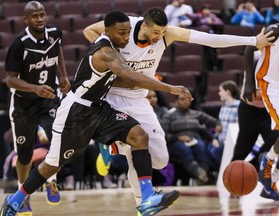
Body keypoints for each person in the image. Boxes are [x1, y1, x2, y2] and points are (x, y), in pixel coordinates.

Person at [0, 10, 194, 216]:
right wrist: (170, 88)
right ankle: (14, 200)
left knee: (139, 135)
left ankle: (147, 198)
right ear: (107, 31)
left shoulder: (115, 48)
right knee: (52, 166)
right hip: (76, 113)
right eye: (121, 33)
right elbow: (131, 78)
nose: (126, 38)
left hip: (99, 109)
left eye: (128, 32)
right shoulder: (106, 53)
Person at [83, 7, 274, 211]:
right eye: (155, 32)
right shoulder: (125, 27)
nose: (159, 38)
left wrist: (253, 41)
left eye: (162, 33)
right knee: (136, 146)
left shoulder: (167, 34)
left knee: (160, 160)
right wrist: (112, 59)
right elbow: (89, 31)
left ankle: (114, 145)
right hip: (113, 97)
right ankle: (143, 204)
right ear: (144, 25)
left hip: (139, 98)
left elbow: (208, 39)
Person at [3, 1, 71, 215]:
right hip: (23, 104)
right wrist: (34, 88)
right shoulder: (19, 44)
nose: (40, 19)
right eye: (34, 16)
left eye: (42, 15)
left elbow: (57, 49)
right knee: (24, 154)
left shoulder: (54, 33)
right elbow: (10, 80)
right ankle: (22, 196)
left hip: (48, 99)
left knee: (56, 138)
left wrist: (63, 75)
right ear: (26, 20)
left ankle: (51, 179)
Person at [242, 23, 279, 200]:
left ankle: (271, 179)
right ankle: (268, 161)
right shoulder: (275, 30)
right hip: (271, 85)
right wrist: (249, 82)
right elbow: (250, 48)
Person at [161, 94, 220, 184]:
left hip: (194, 139)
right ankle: (199, 173)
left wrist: (218, 124)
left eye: (188, 99)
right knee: (185, 150)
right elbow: (163, 134)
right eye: (182, 99)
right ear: (176, 101)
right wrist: (177, 137)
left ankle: (202, 175)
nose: (185, 101)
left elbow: (212, 121)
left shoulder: (196, 113)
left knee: (201, 147)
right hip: (176, 142)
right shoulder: (169, 116)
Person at [209, 80, 240, 170]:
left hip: (231, 143)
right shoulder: (223, 107)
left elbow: (238, 129)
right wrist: (215, 139)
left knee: (215, 152)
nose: (219, 93)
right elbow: (220, 127)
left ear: (227, 92)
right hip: (221, 141)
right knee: (206, 149)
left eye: (221, 91)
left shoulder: (239, 107)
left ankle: (229, 172)